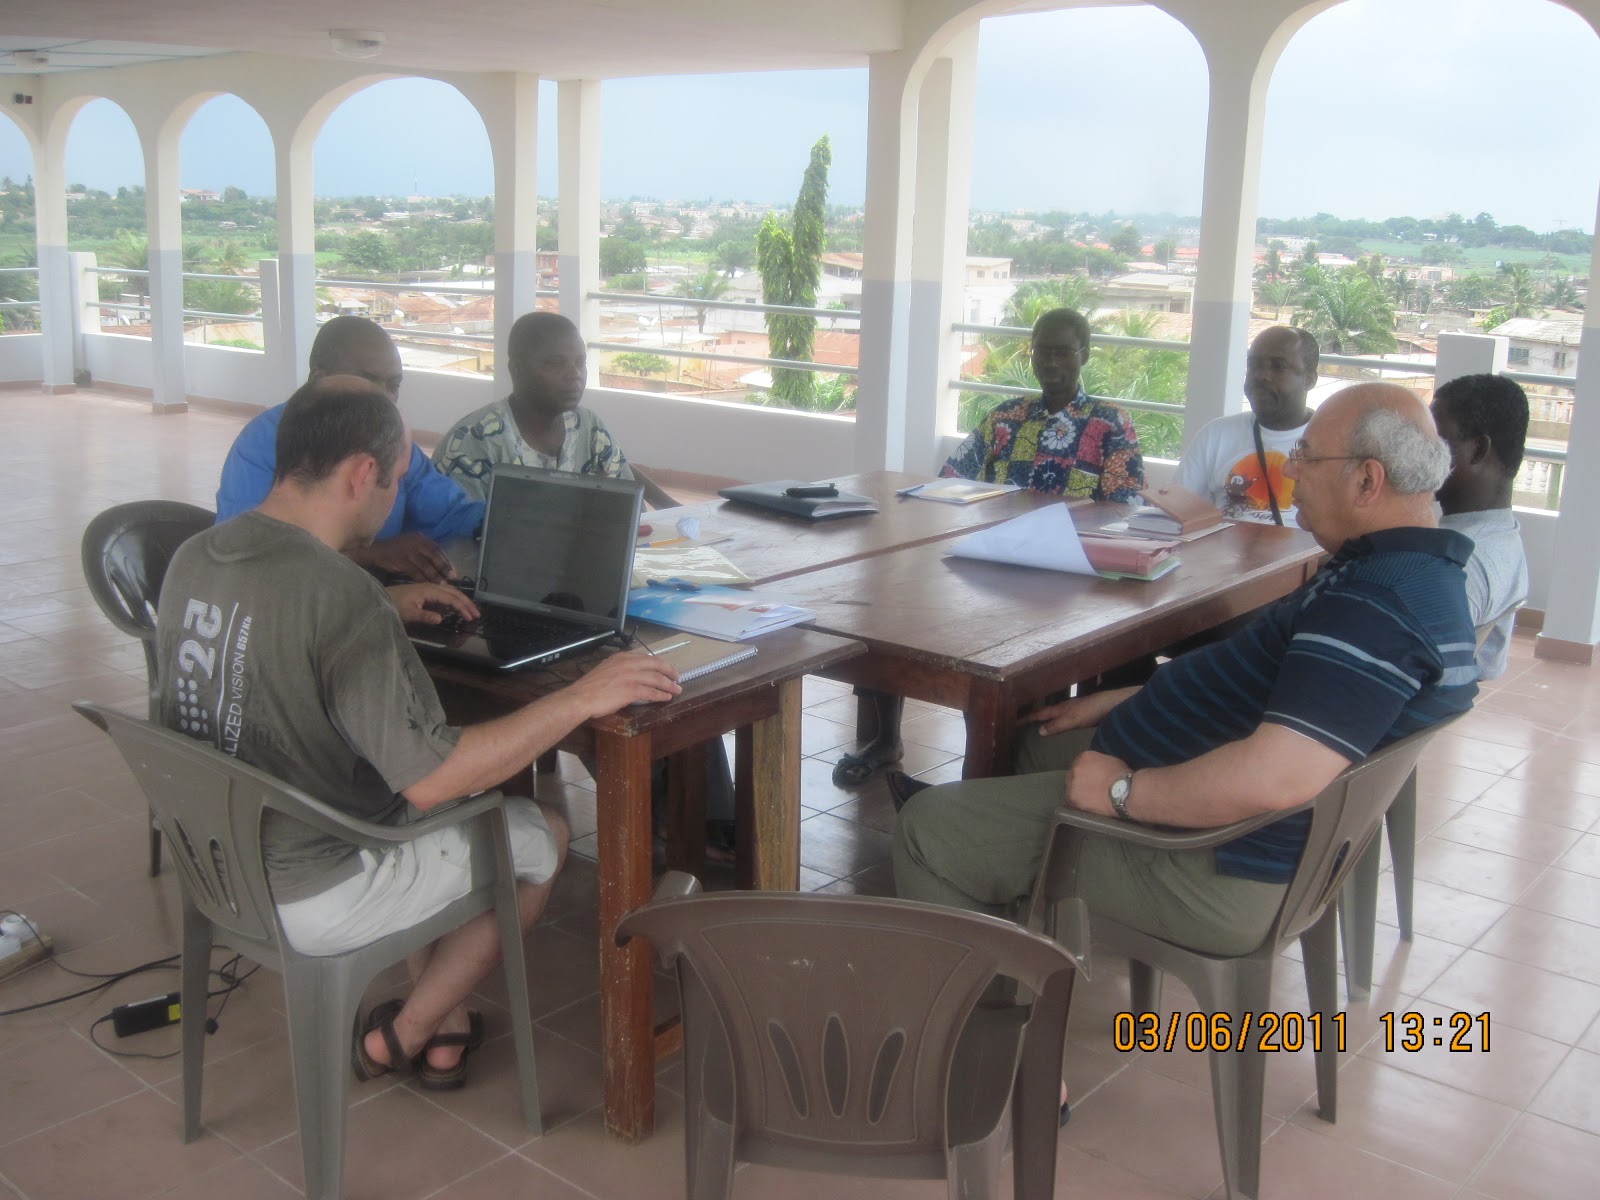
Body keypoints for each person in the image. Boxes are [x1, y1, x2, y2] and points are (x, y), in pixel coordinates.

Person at [159, 376, 681, 1088]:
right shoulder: (337, 595)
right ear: (363, 473)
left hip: (214, 858)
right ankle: (402, 1035)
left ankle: (450, 1022)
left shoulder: (198, 555)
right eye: (397, 479)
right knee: (541, 835)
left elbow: (285, 622)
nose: (395, 497)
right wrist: (583, 696)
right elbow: (434, 779)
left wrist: (384, 599)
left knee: (402, 792)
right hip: (313, 886)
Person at [889, 382, 1477, 961]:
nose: (1294, 471)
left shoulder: (1377, 609)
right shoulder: (1409, 571)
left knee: (927, 828)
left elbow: (1275, 778)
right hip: (1225, 811)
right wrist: (1127, 699)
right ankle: (1021, 927)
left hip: (1215, 862)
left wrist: (1121, 794)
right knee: (1027, 743)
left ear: (1367, 480)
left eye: (1307, 456)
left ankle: (977, 1010)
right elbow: (1277, 697)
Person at [835, 307, 1146, 788]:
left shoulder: (1109, 424)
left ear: (1084, 353)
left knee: (1000, 665)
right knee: (894, 605)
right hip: (989, 555)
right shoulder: (1005, 417)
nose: (1050, 362)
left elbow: (1123, 509)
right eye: (1042, 350)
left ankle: (980, 779)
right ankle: (884, 739)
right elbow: (949, 482)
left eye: (1062, 351)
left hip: (1061, 567)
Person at [215, 316, 482, 582]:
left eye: (393, 385)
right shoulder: (264, 443)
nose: (385, 398)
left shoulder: (394, 442)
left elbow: (454, 515)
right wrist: (374, 555)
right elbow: (251, 555)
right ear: (319, 379)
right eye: (367, 382)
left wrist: (506, 521)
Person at [433, 311, 632, 502]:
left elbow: (631, 513)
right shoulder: (475, 440)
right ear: (517, 370)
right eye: (556, 364)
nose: (575, 374)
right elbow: (455, 533)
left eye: (580, 362)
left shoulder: (590, 427)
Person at [1431, 373, 1530, 679]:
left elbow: (1415, 675)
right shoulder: (1502, 535)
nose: (1421, 452)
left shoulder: (1460, 563)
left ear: (1477, 450)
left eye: (1434, 440)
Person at [1176, 325, 1320, 526]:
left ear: (1309, 379)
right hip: (1219, 554)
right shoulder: (1216, 435)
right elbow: (1177, 513)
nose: (1262, 376)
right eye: (1254, 365)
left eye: (1278, 366)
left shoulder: (1330, 443)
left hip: (1303, 556)